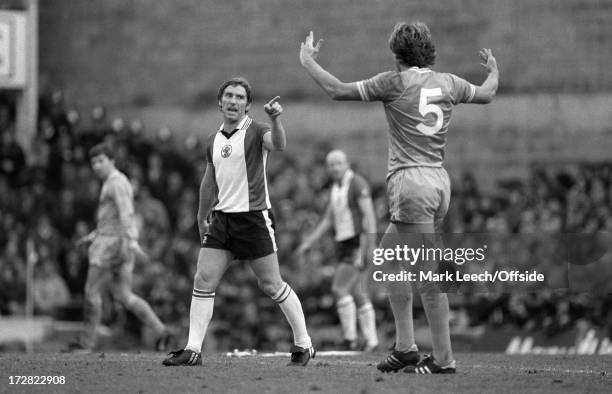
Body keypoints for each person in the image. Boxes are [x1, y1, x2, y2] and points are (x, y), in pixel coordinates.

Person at [300, 22, 498, 374]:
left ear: (396, 54)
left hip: (411, 185)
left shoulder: (392, 82)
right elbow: (487, 94)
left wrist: (307, 62)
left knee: (426, 276)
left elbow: (337, 90)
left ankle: (443, 359)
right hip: (438, 181)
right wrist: (494, 71)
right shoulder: (449, 82)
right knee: (389, 262)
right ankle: (405, 347)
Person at [162, 77, 315, 367]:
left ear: (247, 105)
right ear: (220, 102)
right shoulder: (213, 141)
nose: (233, 101)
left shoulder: (258, 131)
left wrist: (276, 120)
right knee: (203, 280)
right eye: (229, 96)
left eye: (240, 97)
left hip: (254, 218)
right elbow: (209, 182)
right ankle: (193, 349)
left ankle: (304, 343)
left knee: (271, 284)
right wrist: (201, 215)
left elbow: (279, 145)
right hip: (222, 220)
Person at [70, 142, 174, 352]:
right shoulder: (114, 182)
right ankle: (161, 330)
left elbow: (126, 213)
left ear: (112, 161)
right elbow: (112, 219)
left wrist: (132, 238)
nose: (97, 166)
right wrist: (93, 235)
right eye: (94, 163)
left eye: (101, 161)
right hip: (118, 242)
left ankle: (86, 343)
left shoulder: (116, 183)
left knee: (91, 291)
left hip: (111, 245)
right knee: (124, 296)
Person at [297, 149, 379, 351]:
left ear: (347, 164)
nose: (334, 167)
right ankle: (371, 341)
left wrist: (371, 244)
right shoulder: (336, 187)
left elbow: (369, 215)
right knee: (357, 291)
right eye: (331, 164)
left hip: (357, 241)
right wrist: (310, 241)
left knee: (338, 288)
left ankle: (350, 338)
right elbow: (328, 219)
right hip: (344, 242)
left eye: (338, 163)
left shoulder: (357, 184)